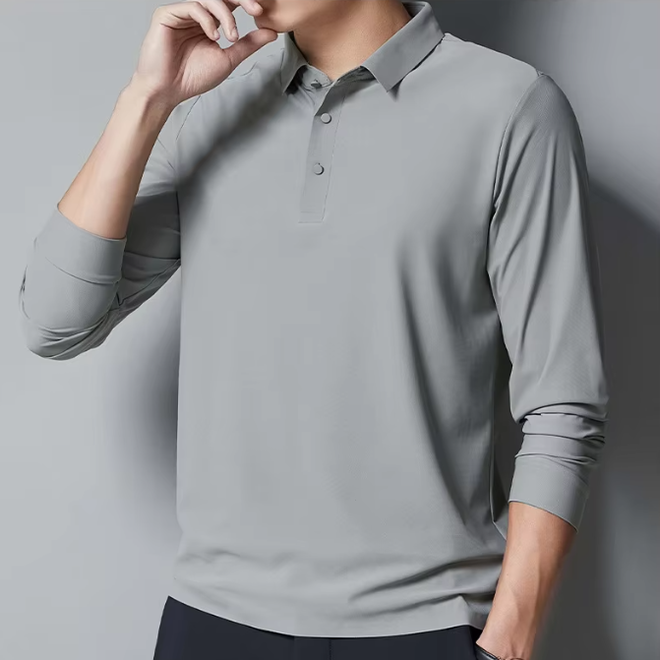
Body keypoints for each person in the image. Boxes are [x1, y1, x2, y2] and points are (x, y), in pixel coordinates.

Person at [17, 1, 609, 658]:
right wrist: (146, 99)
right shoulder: (210, 106)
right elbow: (54, 322)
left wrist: (508, 643)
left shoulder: (512, 109)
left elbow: (563, 403)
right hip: (214, 620)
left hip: (421, 625)